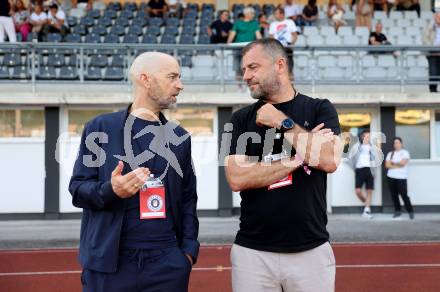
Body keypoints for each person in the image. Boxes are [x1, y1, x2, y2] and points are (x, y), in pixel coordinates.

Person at [69, 52, 199, 292]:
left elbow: (188, 198)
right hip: (110, 264)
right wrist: (111, 190)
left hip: (167, 264)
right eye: (172, 77)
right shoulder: (100, 128)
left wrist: (188, 253)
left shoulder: (179, 137)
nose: (180, 85)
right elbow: (78, 190)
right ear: (146, 79)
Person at [225, 38, 343, 292]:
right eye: (244, 69)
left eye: (253, 67)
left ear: (279, 65)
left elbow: (329, 160)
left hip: (311, 250)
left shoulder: (320, 108)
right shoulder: (239, 119)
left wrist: (281, 121)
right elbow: (237, 178)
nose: (245, 75)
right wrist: (300, 157)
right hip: (252, 252)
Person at [227, 6, 262, 90]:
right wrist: (228, 43)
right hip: (237, 49)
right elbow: (232, 34)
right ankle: (239, 88)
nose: (253, 15)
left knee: (249, 68)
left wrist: (262, 44)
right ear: (246, 14)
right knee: (237, 68)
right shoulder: (238, 23)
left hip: (250, 50)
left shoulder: (255, 23)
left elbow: (258, 35)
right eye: (252, 13)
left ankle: (248, 87)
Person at [350, 130, 378, 219]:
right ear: (362, 137)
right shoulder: (357, 147)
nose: (367, 138)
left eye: (369, 136)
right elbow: (350, 158)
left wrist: (374, 172)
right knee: (358, 191)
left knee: (369, 190)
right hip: (359, 170)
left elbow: (376, 161)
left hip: (369, 170)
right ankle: (367, 205)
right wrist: (355, 168)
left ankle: (366, 210)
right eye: (366, 136)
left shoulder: (373, 148)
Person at [385, 137, 414, 220]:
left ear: (401, 144)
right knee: (394, 195)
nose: (396, 144)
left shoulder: (405, 153)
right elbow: (387, 165)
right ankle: (397, 211)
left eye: (398, 142)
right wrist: (398, 164)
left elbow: (403, 163)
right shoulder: (390, 154)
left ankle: (410, 211)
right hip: (391, 177)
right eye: (395, 143)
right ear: (393, 145)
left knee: (404, 195)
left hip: (401, 177)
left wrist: (393, 163)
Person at [269, 7, 298, 77]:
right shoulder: (273, 24)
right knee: (278, 69)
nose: (275, 15)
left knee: (289, 68)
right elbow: (271, 36)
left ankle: (291, 86)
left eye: (276, 13)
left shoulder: (290, 22)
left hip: (287, 47)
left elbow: (295, 34)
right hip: (277, 48)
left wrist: (292, 44)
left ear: (282, 14)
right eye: (275, 14)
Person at [423, 12, 440, 93]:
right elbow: (425, 39)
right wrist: (432, 47)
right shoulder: (430, 27)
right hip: (433, 52)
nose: (439, 19)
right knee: (433, 72)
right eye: (438, 17)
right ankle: (433, 89)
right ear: (435, 18)